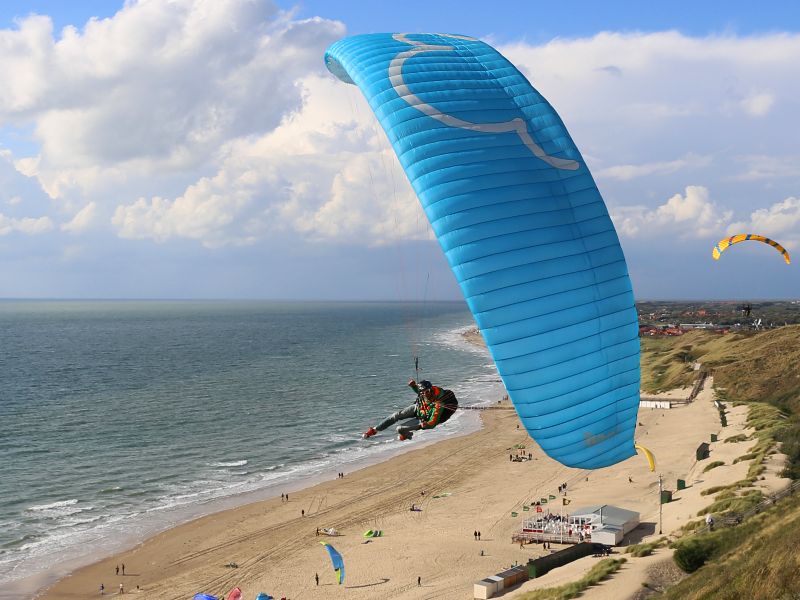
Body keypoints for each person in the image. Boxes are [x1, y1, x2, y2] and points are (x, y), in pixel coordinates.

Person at [362, 379, 458, 441]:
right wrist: (413, 386)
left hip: (425, 418)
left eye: (427, 392)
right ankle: (375, 430)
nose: (425, 394)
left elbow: (433, 422)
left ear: (431, 389)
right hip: (419, 408)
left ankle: (407, 435)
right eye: (423, 392)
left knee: (399, 428)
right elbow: (419, 391)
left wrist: (426, 425)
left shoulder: (438, 405)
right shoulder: (423, 393)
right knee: (396, 415)